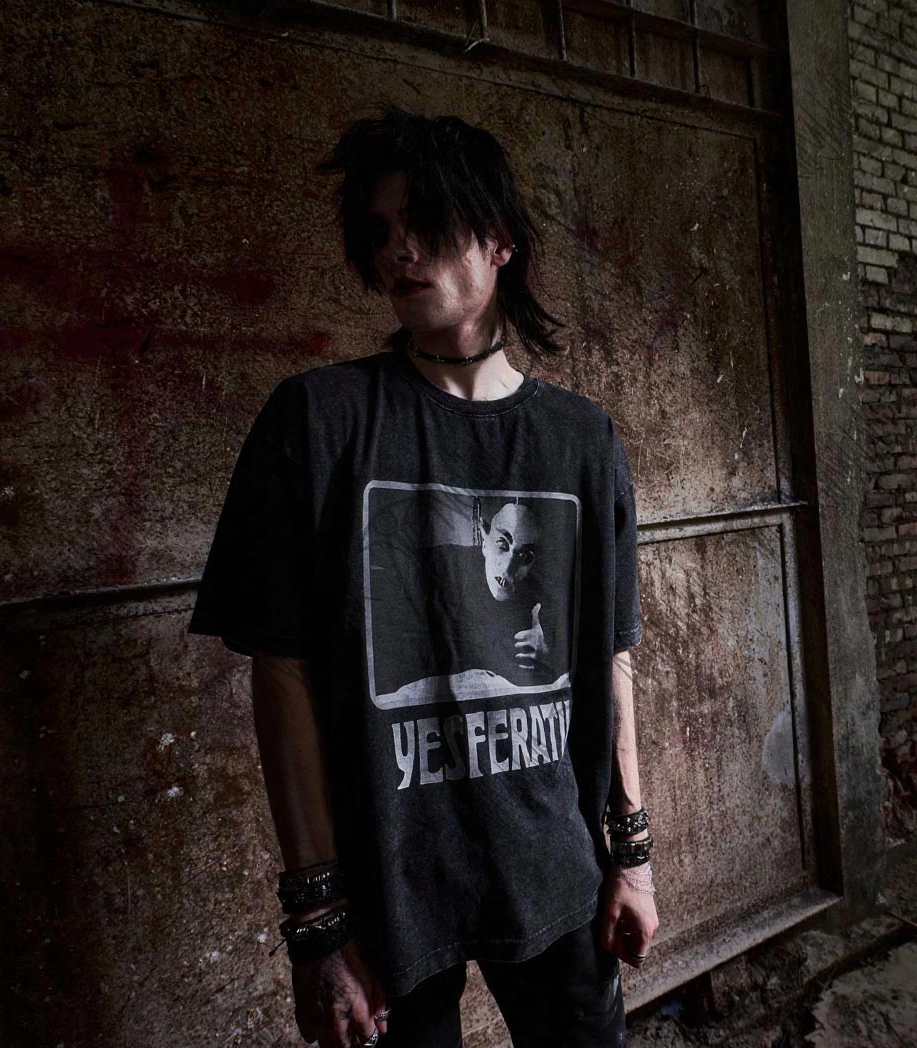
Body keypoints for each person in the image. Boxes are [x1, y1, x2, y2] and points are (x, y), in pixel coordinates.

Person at [188, 105, 659, 1048]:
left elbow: (609, 660)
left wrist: (633, 856)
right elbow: (283, 672)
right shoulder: (318, 422)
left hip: (556, 872)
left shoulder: (582, 441)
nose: (399, 251)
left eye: (427, 224)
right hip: (388, 897)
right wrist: (317, 923)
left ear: (501, 242)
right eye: (380, 232)